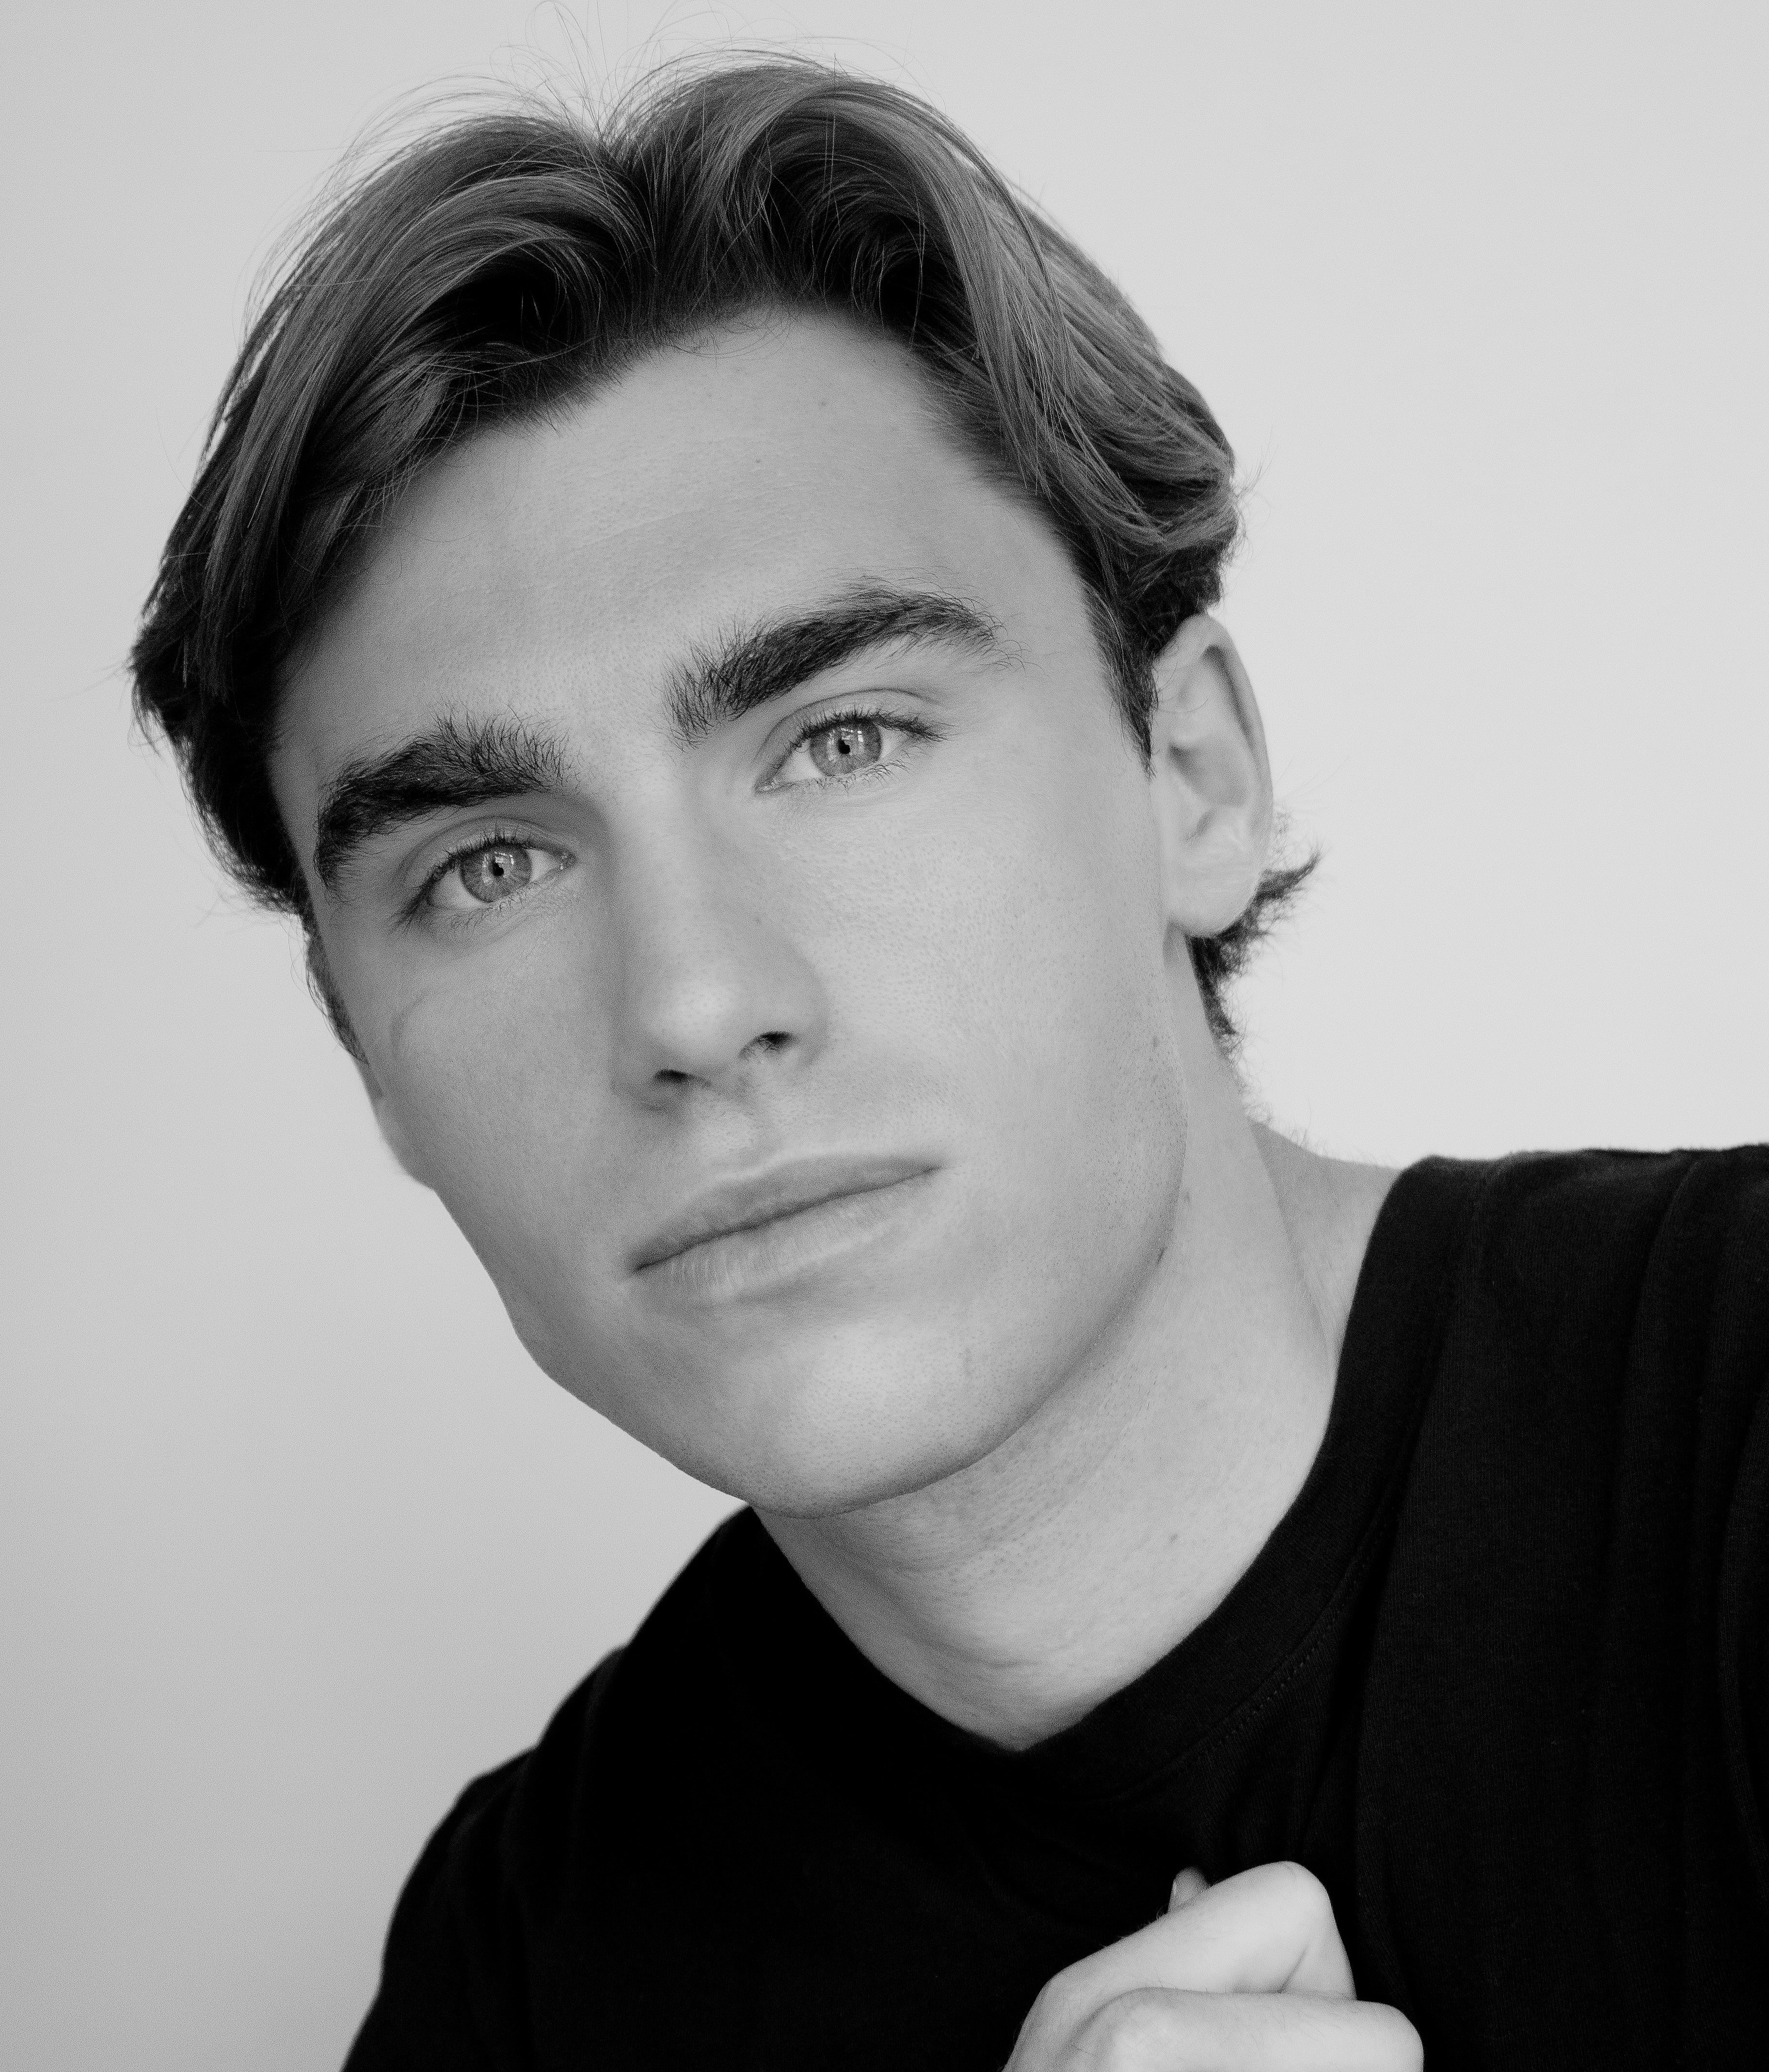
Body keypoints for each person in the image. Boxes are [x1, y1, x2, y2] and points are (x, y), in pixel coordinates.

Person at [130, 55, 1768, 2072]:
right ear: (365, 1059)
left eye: (840, 742)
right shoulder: (531, 1978)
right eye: (488, 866)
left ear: (1190, 777)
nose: (692, 1002)